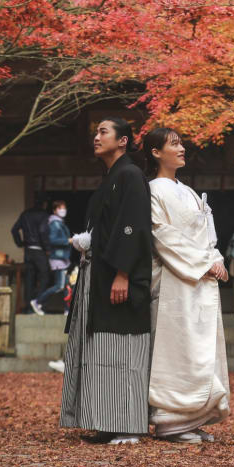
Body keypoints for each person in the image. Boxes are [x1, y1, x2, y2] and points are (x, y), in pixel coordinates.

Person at [60, 118, 153, 445]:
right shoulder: (111, 178)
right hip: (100, 275)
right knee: (102, 349)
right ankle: (108, 421)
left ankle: (128, 425)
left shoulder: (130, 176)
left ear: (123, 140)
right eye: (95, 131)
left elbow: (135, 227)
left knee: (124, 350)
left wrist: (123, 273)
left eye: (103, 132)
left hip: (120, 277)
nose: (96, 137)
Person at [144, 127, 230, 444]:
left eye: (182, 144)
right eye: (174, 144)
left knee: (201, 348)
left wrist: (215, 257)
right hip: (174, 280)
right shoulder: (153, 190)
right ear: (156, 152)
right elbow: (162, 235)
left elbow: (207, 234)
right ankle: (170, 420)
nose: (182, 149)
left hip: (200, 279)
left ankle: (193, 418)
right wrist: (202, 262)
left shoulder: (190, 191)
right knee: (177, 348)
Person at [30, 200, 72, 315]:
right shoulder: (55, 223)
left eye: (64, 208)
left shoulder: (59, 222)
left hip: (62, 258)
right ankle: (38, 301)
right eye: (60, 208)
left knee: (66, 285)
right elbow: (52, 240)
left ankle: (67, 310)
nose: (63, 210)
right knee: (60, 285)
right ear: (54, 210)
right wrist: (67, 240)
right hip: (58, 258)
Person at [11, 196, 51, 314]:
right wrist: (47, 248)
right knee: (45, 276)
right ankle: (39, 303)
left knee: (29, 278)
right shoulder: (44, 215)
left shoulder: (25, 214)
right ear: (44, 204)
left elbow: (14, 230)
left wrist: (20, 243)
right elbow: (43, 232)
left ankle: (29, 307)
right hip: (39, 250)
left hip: (28, 250)